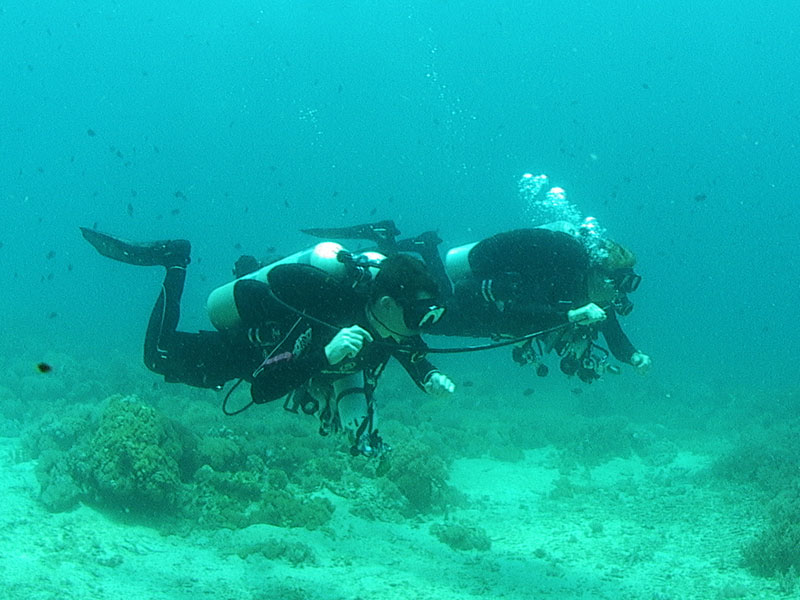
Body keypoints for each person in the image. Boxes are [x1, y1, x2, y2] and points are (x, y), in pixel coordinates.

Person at [79, 228, 455, 457]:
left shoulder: (389, 319)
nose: (419, 327)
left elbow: (406, 343)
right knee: (158, 356)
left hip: (300, 349)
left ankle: (245, 267)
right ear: (386, 304)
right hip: (251, 347)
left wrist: (429, 375)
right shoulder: (326, 306)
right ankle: (175, 260)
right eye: (416, 316)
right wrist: (323, 355)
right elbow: (261, 388)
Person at [301, 221, 651, 382]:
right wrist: (569, 312)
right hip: (484, 301)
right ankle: (396, 247)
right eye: (618, 282)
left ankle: (415, 249)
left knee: (434, 316)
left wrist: (634, 357)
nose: (619, 293)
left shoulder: (593, 298)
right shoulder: (560, 278)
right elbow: (518, 310)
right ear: (598, 271)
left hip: (492, 322)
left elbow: (613, 333)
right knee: (437, 312)